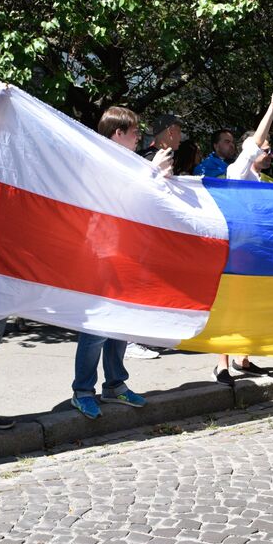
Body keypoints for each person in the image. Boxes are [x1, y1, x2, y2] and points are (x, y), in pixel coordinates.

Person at [72, 106, 162, 419]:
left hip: (125, 252)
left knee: (121, 322)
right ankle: (83, 390)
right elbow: (117, 199)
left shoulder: (128, 161)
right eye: (135, 131)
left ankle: (115, 385)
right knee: (96, 327)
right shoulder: (100, 161)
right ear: (118, 133)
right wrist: (152, 174)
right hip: (101, 253)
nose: (140, 137)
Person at [218, 79, 273, 386]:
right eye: (267, 149)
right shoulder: (237, 172)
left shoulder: (263, 180)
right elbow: (252, 145)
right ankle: (222, 365)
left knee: (251, 307)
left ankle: (243, 358)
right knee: (229, 307)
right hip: (234, 252)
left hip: (255, 252)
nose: (270, 153)